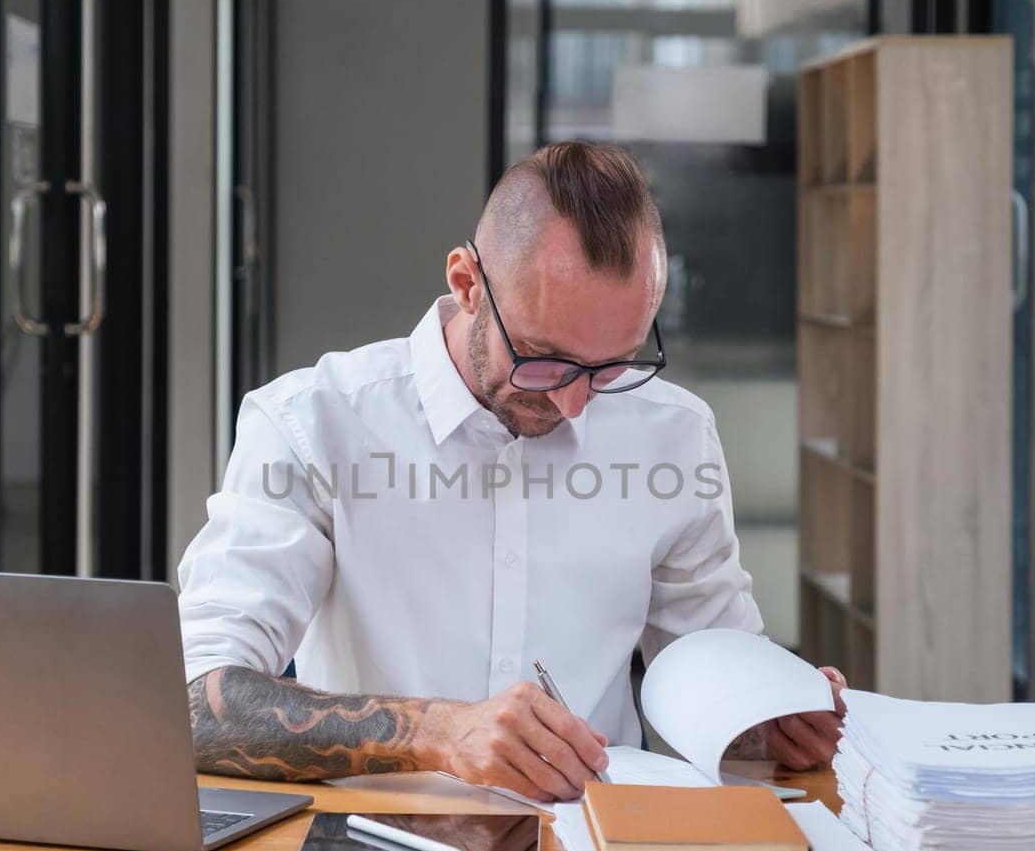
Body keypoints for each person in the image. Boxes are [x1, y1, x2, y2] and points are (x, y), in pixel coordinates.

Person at [179, 141, 846, 802]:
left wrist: (768, 720)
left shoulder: (674, 435)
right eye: (544, 359)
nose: (574, 400)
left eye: (611, 365)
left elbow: (716, 674)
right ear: (467, 284)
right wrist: (436, 732)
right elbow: (193, 703)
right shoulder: (311, 424)